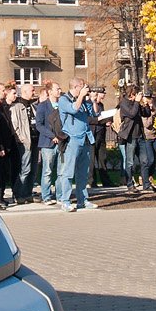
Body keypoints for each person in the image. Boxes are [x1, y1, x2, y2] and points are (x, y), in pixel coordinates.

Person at [55, 78, 98, 211]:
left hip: (85, 138)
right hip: (72, 140)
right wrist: (81, 97)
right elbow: (74, 109)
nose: (85, 88)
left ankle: (83, 200)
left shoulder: (83, 101)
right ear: (75, 87)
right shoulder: (64, 100)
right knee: (68, 172)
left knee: (83, 172)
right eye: (82, 86)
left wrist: (92, 99)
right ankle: (65, 201)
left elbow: (94, 114)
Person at [34, 81, 62, 204]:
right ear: (50, 92)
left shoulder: (62, 104)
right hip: (48, 143)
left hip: (61, 142)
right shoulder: (43, 106)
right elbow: (39, 125)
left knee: (61, 171)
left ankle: (60, 195)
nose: (60, 91)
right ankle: (46, 196)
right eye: (57, 89)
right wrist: (52, 136)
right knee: (47, 170)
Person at [116, 86, 148, 192]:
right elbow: (132, 114)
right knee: (130, 162)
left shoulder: (136, 103)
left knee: (144, 160)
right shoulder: (124, 103)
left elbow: (146, 114)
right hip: (130, 136)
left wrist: (145, 104)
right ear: (131, 94)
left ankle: (146, 184)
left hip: (140, 135)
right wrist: (137, 102)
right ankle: (130, 184)